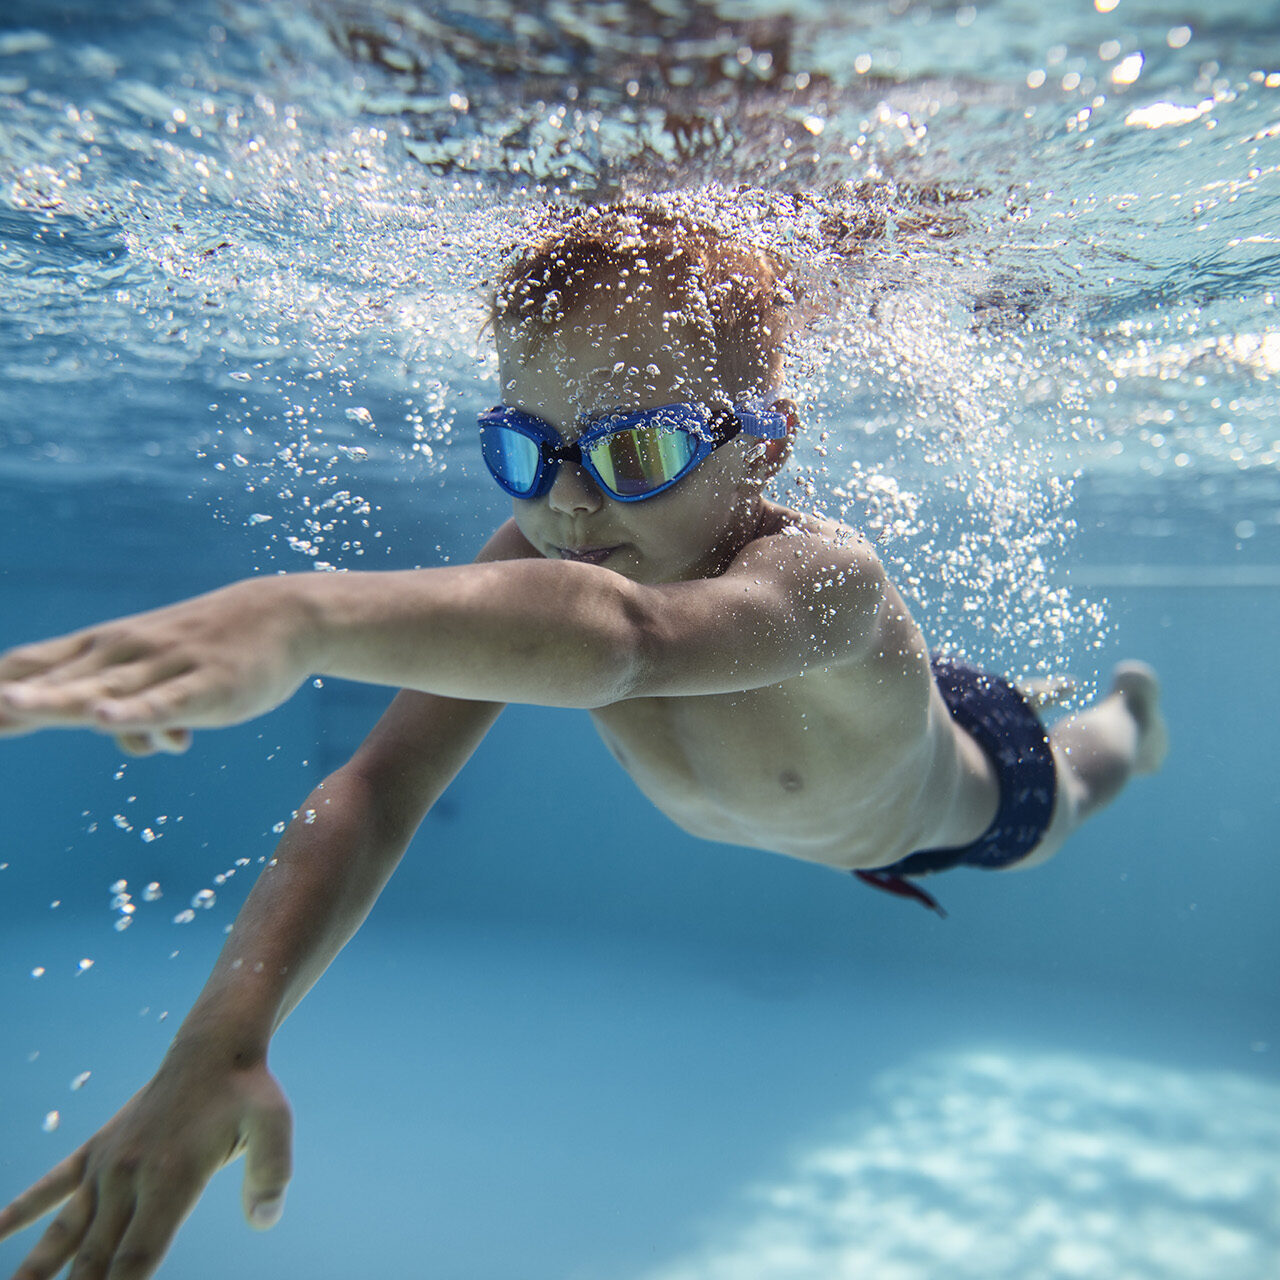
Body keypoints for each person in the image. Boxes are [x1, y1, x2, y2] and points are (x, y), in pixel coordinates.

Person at [0, 204, 1165, 1280]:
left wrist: (299, 615)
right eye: (527, 448)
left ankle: (1124, 714)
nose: (569, 505)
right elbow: (375, 787)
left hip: (956, 799)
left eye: (637, 453)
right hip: (836, 745)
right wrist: (223, 1036)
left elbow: (632, 638)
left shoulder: (827, 582)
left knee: (1070, 783)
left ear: (763, 446)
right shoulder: (545, 554)